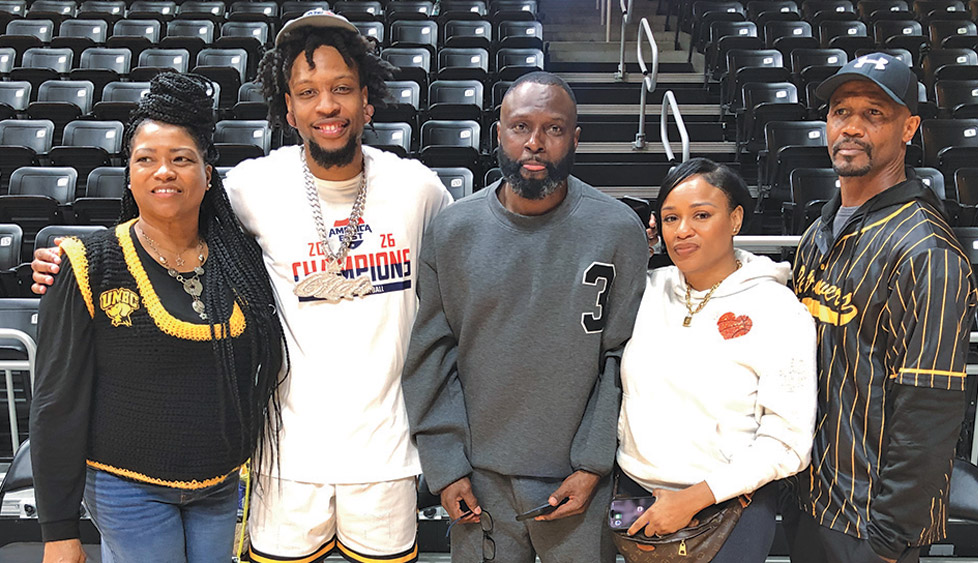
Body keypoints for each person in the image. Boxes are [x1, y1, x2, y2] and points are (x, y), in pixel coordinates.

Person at [32, 11, 452, 563]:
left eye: (342, 89)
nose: (327, 105)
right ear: (288, 109)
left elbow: (458, 280)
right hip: (283, 456)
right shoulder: (252, 186)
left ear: (367, 100)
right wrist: (76, 256)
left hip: (387, 454)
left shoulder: (417, 187)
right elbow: (166, 215)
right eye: (308, 93)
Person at [29, 72, 286, 563]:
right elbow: (55, 405)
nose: (163, 171)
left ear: (208, 176)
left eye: (181, 159)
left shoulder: (243, 261)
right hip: (128, 489)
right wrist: (58, 530)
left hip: (221, 484)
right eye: (145, 159)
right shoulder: (89, 263)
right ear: (129, 174)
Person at [401, 71, 649, 562]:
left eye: (553, 129)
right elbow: (432, 353)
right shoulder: (453, 229)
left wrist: (594, 465)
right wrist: (446, 466)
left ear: (575, 138)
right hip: (480, 481)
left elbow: (623, 358)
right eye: (520, 127)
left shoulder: (618, 229)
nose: (534, 143)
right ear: (498, 132)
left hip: (582, 483)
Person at [787, 53, 978, 563]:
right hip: (810, 499)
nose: (851, 127)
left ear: (909, 127)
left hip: (869, 522)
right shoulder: (817, 233)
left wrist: (890, 539)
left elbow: (930, 410)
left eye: (874, 114)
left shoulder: (928, 251)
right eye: (840, 111)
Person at [615, 158, 817, 562]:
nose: (683, 230)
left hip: (727, 506)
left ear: (736, 218)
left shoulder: (777, 307)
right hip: (636, 495)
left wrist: (693, 499)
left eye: (701, 215)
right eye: (670, 218)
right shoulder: (645, 291)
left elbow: (788, 441)